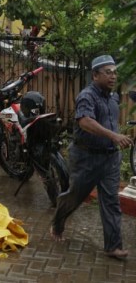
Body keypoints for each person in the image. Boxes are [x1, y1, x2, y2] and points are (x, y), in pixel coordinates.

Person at [50, 55, 133, 259]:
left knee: (111, 201)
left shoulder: (113, 97)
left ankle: (113, 246)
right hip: (86, 157)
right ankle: (58, 223)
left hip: (110, 159)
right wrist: (114, 136)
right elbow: (85, 121)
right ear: (95, 75)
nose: (113, 76)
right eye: (108, 72)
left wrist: (116, 139)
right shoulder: (87, 96)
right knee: (75, 196)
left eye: (114, 72)